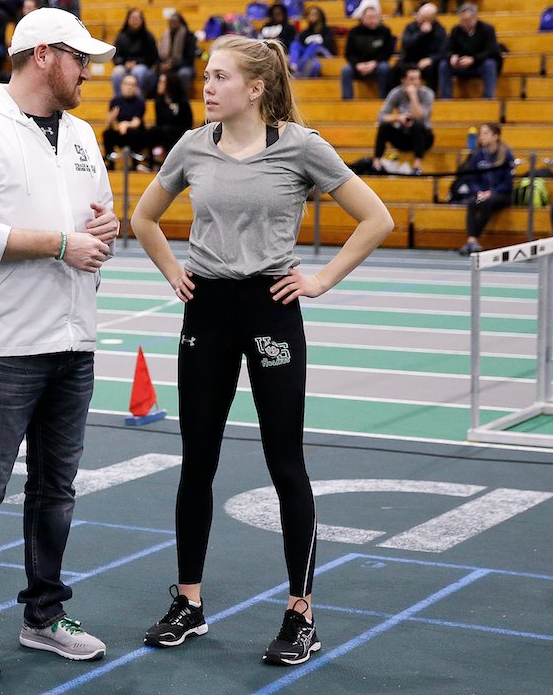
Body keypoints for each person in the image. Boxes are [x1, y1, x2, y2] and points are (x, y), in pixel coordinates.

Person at [130, 33, 393, 666]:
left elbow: (376, 218)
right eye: (206, 75)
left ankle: (301, 613)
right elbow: (141, 218)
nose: (207, 86)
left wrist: (321, 279)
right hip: (208, 311)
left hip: (271, 310)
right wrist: (173, 271)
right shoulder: (193, 144)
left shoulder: (302, 147)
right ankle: (188, 603)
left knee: (285, 464)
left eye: (219, 77)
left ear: (256, 88)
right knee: (198, 462)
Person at [0, 6, 119, 681]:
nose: (89, 71)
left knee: (56, 491)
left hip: (75, 338)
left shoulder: (82, 134)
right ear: (43, 54)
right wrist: (63, 244)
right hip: (8, 343)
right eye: (80, 59)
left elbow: (97, 222)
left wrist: (103, 229)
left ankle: (43, 616)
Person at [457, 123, 514, 254]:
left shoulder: (506, 155)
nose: (481, 136)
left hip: (501, 194)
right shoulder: (477, 155)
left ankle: (472, 240)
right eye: (481, 133)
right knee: (472, 202)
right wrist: (478, 191)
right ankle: (472, 240)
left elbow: (508, 182)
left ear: (495, 136)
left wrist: (492, 192)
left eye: (486, 133)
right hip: (481, 194)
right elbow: (472, 179)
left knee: (486, 202)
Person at [373, 66, 435, 173]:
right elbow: (381, 116)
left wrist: (413, 96)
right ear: (403, 80)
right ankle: (376, 163)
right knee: (384, 127)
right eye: (411, 79)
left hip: (424, 137)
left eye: (417, 79)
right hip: (403, 134)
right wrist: (398, 118)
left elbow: (421, 117)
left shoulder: (427, 93)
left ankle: (417, 167)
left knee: (417, 125)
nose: (415, 82)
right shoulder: (396, 92)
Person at [438, 4, 499, 99]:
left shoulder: (487, 29)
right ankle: (445, 98)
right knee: (444, 65)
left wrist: (473, 59)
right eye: (462, 20)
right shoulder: (456, 30)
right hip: (461, 64)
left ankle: (488, 97)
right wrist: (451, 56)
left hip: (479, 64)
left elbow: (492, 51)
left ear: (475, 17)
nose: (465, 23)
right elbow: (445, 49)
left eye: (467, 20)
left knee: (490, 64)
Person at [340, 6, 395, 100]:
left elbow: (388, 52)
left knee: (385, 68)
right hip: (358, 65)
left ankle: (384, 99)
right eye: (369, 17)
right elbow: (348, 53)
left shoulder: (385, 31)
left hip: (377, 64)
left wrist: (374, 62)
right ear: (362, 18)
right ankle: (347, 101)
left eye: (375, 17)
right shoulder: (354, 32)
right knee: (346, 70)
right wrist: (357, 64)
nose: (372, 20)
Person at [395, 2, 446, 92]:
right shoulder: (411, 27)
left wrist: (430, 59)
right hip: (410, 59)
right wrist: (421, 33)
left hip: (428, 62)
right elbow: (406, 45)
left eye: (424, 18)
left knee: (433, 69)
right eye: (419, 16)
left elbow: (443, 51)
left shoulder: (440, 31)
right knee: (395, 69)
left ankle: (431, 96)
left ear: (432, 19)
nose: (419, 19)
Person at [103, 73, 149, 170]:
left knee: (136, 134)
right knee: (107, 134)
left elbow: (137, 122)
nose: (129, 87)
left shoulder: (140, 102)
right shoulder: (115, 101)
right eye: (127, 84)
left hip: (134, 131)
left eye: (132, 85)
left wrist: (125, 125)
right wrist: (112, 118)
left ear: (136, 87)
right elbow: (109, 122)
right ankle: (110, 162)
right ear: (121, 85)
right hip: (119, 131)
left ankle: (135, 163)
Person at [112, 7, 160, 96]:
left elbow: (153, 58)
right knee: (117, 71)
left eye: (138, 18)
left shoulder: (148, 36)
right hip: (125, 65)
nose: (135, 21)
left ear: (142, 20)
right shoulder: (121, 36)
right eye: (133, 18)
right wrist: (125, 63)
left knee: (138, 71)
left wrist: (137, 63)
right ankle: (118, 99)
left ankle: (139, 98)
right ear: (128, 20)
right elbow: (116, 56)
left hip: (143, 66)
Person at [151, 71, 194, 164]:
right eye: (159, 82)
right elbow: (159, 122)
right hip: (164, 132)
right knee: (153, 131)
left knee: (167, 131)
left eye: (162, 82)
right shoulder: (158, 101)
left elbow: (187, 123)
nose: (159, 85)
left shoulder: (182, 101)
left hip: (180, 132)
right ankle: (153, 161)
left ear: (169, 84)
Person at [157, 10, 197, 98]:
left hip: (184, 66)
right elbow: (159, 55)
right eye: (170, 22)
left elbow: (189, 59)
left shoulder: (189, 36)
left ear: (180, 23)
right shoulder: (165, 36)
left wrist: (173, 65)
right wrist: (161, 64)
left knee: (184, 74)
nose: (172, 24)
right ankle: (159, 99)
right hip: (168, 65)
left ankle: (183, 99)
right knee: (154, 73)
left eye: (175, 21)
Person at [291, 6, 336, 79]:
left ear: (320, 16)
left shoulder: (327, 30)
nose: (312, 16)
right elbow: (301, 47)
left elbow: (328, 46)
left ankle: (300, 67)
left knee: (314, 45)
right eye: (310, 14)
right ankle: (293, 65)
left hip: (323, 53)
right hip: (308, 55)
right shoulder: (305, 32)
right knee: (295, 44)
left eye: (314, 14)